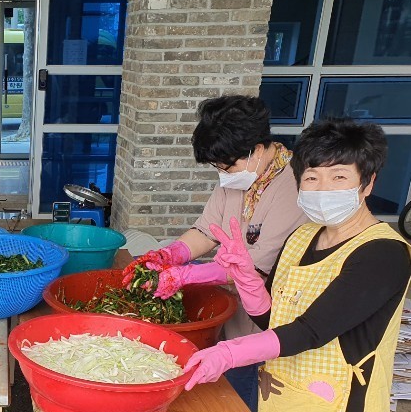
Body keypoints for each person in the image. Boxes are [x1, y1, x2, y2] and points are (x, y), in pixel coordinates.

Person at [183, 119, 411, 412]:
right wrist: (246, 277)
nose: (323, 189)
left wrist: (228, 353)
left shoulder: (382, 253)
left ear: (368, 183)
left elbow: (310, 331)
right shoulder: (303, 236)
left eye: (339, 177)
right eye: (312, 178)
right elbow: (272, 320)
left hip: (341, 402)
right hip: (280, 397)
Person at [123, 95, 309, 409]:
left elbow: (254, 267)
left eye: (227, 166)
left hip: (272, 322)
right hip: (234, 314)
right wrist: (169, 255)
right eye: (217, 167)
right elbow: (206, 230)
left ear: (258, 149)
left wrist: (185, 276)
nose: (222, 174)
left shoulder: (294, 186)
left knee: (240, 397)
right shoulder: (238, 174)